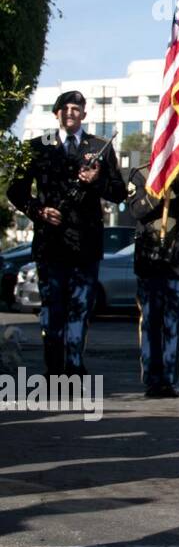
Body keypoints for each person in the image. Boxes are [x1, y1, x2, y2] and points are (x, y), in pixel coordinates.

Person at [6, 90, 126, 375]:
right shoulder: (38, 146)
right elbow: (15, 191)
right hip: (51, 241)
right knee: (52, 308)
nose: (70, 112)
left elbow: (118, 192)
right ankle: (54, 367)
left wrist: (96, 180)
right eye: (65, 108)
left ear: (84, 114)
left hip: (86, 241)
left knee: (80, 306)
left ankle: (74, 364)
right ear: (56, 113)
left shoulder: (99, 147)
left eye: (76, 108)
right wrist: (38, 211)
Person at [126, 161, 179, 397]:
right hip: (149, 258)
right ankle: (152, 378)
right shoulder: (140, 173)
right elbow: (136, 211)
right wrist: (158, 188)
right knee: (150, 320)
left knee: (175, 322)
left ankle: (170, 379)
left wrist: (178, 182)